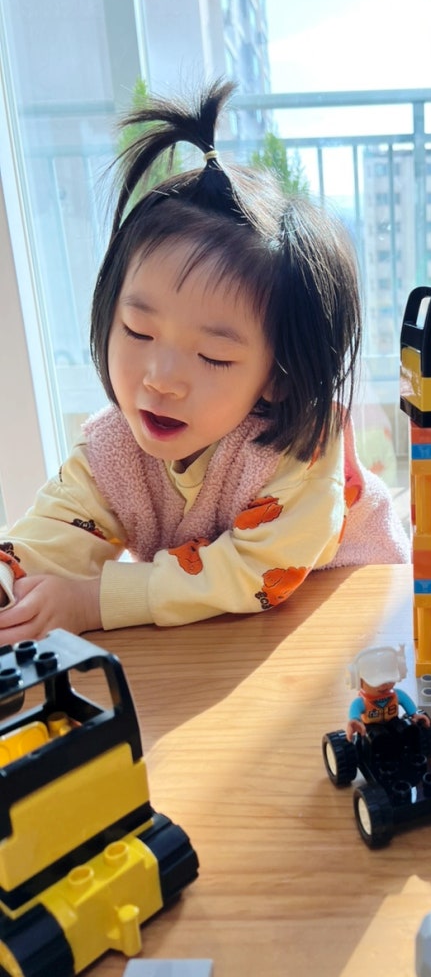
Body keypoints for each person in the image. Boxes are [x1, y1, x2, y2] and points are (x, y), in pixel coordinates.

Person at [0, 80, 409, 641]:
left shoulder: (300, 445)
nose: (160, 380)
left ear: (280, 377)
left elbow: (256, 572)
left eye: (213, 357)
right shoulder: (113, 448)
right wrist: (8, 578)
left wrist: (95, 602)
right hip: (223, 633)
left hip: (353, 621)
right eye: (138, 331)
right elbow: (55, 530)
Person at [345, 644, 430, 740]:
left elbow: (406, 701)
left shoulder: (396, 695)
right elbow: (355, 709)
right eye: (376, 682)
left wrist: (415, 714)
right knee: (378, 738)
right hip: (372, 726)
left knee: (407, 729)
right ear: (358, 681)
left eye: (389, 680)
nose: (384, 685)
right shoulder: (362, 702)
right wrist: (354, 720)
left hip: (394, 721)